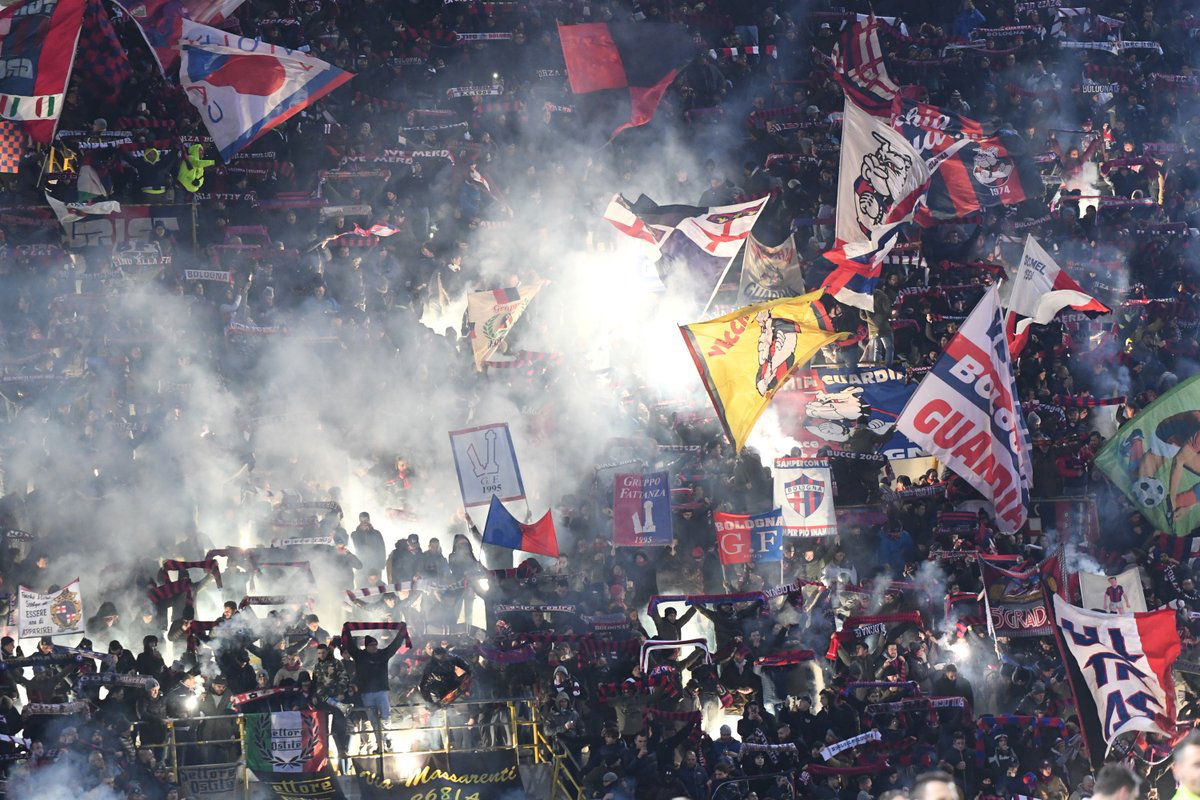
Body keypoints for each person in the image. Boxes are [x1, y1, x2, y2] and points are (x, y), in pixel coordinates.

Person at [342, 631, 407, 752]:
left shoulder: (382, 654)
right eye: (371, 645)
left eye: (375, 645)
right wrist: (347, 631)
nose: (374, 647)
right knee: (373, 722)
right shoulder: (360, 655)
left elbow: (394, 646)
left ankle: (388, 740)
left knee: (386, 718)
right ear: (366, 647)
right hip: (366, 693)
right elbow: (350, 647)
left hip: (381, 691)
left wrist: (402, 633)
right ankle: (380, 745)